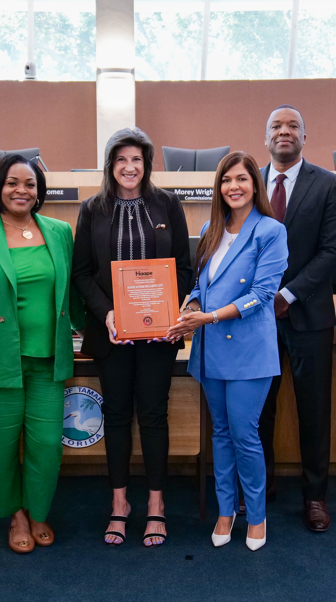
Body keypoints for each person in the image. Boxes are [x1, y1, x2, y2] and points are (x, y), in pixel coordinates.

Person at [0, 154, 84, 553]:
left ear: (39, 192)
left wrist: (115, 325)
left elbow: (74, 296)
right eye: (12, 182)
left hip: (49, 362)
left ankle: (38, 510)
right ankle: (16, 515)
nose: (21, 190)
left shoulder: (59, 231)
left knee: (46, 446)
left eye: (29, 184)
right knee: (2, 449)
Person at [72, 127, 192, 546]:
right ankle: (119, 503)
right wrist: (106, 314)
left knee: (154, 416)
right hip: (113, 335)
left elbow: (182, 267)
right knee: (118, 416)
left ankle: (156, 505)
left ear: (147, 164)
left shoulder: (167, 204)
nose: (129, 167)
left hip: (158, 335)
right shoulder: (92, 209)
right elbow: (82, 273)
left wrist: (164, 311)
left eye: (136, 159)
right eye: (121, 159)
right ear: (110, 165)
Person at [168, 151, 288, 551]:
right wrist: (192, 306)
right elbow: (203, 285)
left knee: (244, 435)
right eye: (226, 180)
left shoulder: (270, 231)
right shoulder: (210, 228)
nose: (233, 187)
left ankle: (256, 515)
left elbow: (263, 295)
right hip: (211, 350)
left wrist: (210, 317)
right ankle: (225, 510)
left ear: (255, 184)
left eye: (241, 179)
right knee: (220, 433)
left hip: (250, 353)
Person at [257, 105, 336, 532]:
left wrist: (288, 295)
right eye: (276, 126)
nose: (285, 131)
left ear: (305, 137)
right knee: (259, 410)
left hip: (309, 315)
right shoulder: (247, 181)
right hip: (255, 319)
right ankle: (261, 485)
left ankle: (315, 497)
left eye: (293, 125)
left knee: (314, 411)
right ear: (266, 137)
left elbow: (332, 251)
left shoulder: (328, 184)